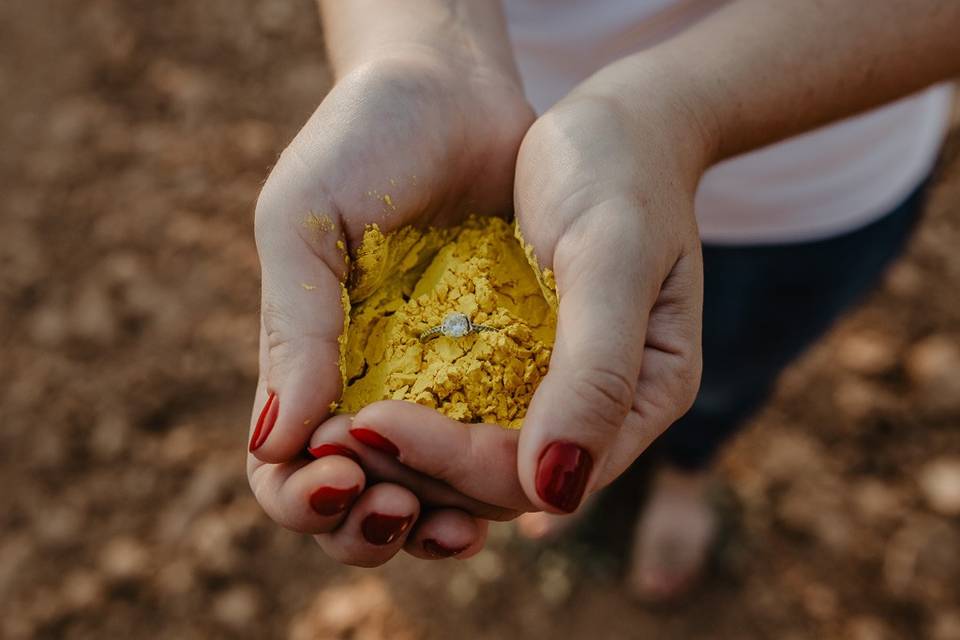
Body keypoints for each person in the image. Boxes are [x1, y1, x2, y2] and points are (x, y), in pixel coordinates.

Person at [246, 0, 958, 601]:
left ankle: (689, 473)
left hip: (807, 176)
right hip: (510, 161)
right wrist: (424, 52)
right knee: (595, 389)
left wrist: (674, 113)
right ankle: (578, 470)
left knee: (729, 370)